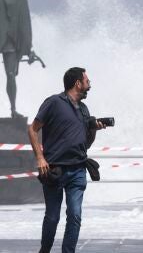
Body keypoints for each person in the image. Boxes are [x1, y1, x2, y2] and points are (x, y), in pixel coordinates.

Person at [28, 67, 105, 253]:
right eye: (87, 81)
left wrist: (93, 129)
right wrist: (40, 157)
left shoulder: (85, 110)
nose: (89, 85)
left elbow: (85, 144)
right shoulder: (54, 102)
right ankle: (44, 250)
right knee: (53, 217)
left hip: (78, 169)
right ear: (77, 83)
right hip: (54, 170)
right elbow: (32, 129)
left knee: (75, 215)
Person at [0, 0, 33, 118]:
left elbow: (25, 23)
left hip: (10, 41)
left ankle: (13, 109)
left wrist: (27, 49)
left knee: (11, 74)